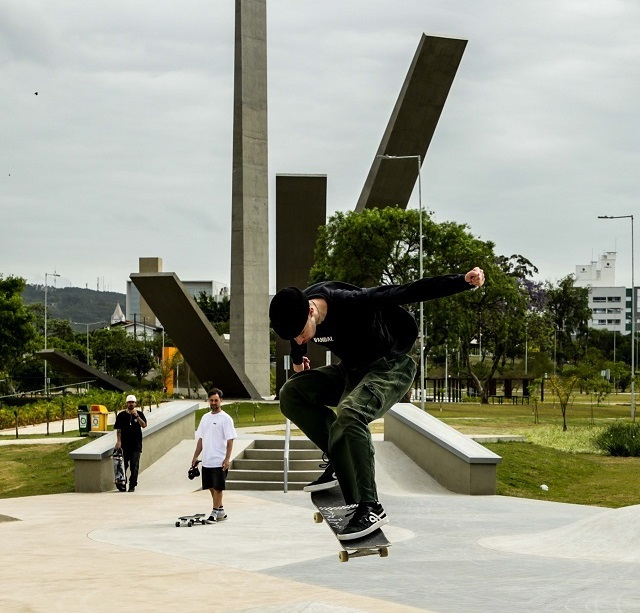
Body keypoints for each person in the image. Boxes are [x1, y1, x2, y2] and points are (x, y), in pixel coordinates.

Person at [269, 267, 485, 540]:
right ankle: (339, 458)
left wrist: (462, 281)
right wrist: (298, 358)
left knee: (350, 413)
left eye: (301, 333)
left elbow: (409, 290)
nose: (301, 340)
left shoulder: (352, 301)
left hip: (389, 368)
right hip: (352, 371)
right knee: (291, 393)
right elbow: (296, 338)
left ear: (311, 312)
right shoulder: (301, 308)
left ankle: (371, 506)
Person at [191, 388, 237, 522]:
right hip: (207, 459)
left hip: (219, 459)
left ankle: (214, 512)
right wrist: (195, 456)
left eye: (216, 400)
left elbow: (230, 440)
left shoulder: (226, 419)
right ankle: (221, 510)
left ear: (221, 401)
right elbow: (200, 439)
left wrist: (227, 459)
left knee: (218, 487)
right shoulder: (205, 418)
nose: (213, 403)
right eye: (211, 400)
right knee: (210, 486)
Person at [114, 394, 147, 492]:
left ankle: (133, 484)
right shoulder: (121, 415)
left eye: (132, 402)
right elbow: (118, 429)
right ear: (126, 403)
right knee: (123, 465)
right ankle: (122, 483)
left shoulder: (139, 414)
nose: (131, 404)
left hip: (136, 444)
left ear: (135, 403)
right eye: (129, 402)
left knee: (134, 465)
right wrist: (119, 441)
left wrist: (136, 416)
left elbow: (144, 425)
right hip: (125, 444)